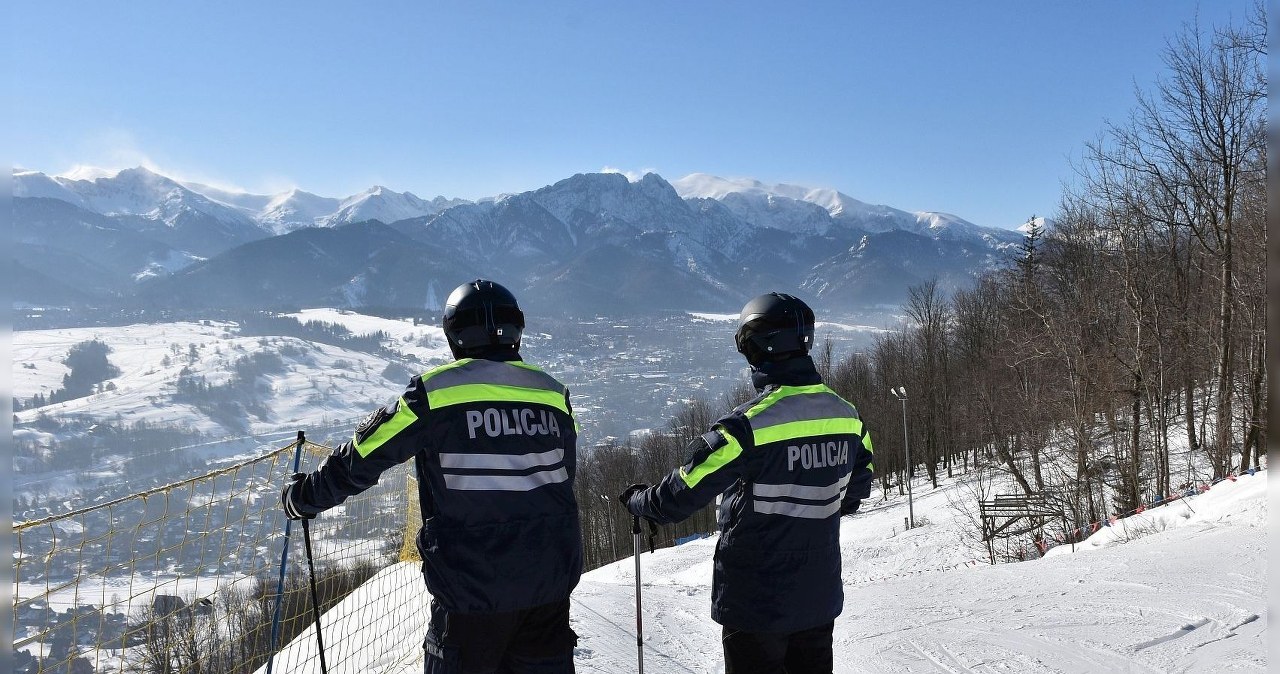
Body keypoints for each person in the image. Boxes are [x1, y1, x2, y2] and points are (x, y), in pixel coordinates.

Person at [281, 279, 582, 674]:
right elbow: (563, 479)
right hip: (549, 590)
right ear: (517, 330)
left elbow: (363, 457)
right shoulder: (554, 395)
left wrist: (303, 497)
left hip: (469, 595)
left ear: (453, 335)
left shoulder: (434, 394)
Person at [619, 292, 873, 674]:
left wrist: (639, 500)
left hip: (756, 601)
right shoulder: (848, 417)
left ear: (757, 350)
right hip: (817, 595)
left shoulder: (747, 427)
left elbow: (678, 498)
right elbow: (854, 495)